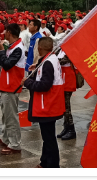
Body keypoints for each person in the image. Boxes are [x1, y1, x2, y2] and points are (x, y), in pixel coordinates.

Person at [22, 36, 65, 168]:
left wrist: (27, 82)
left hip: (47, 105)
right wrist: (37, 66)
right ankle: (45, 162)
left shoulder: (48, 63)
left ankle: (52, 166)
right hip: (49, 104)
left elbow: (45, 85)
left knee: (49, 138)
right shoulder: (50, 59)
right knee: (47, 137)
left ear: (39, 48)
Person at [0, 23, 26, 155]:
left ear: (10, 33)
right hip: (6, 85)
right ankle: (6, 138)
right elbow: (3, 62)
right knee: (6, 114)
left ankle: (15, 144)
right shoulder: (12, 46)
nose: (4, 34)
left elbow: (7, 65)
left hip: (12, 86)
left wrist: (2, 52)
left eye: (6, 31)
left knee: (11, 116)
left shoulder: (18, 48)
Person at [56, 46, 78, 140]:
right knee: (64, 106)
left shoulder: (70, 49)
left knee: (67, 106)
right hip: (63, 78)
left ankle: (71, 129)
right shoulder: (60, 50)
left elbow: (62, 61)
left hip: (68, 79)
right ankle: (66, 127)